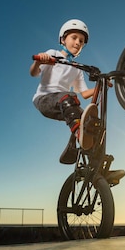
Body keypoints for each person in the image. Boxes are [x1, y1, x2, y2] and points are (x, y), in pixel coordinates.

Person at [30, 19, 100, 164]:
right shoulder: (53, 54)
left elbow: (85, 93)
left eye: (81, 41)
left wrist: (102, 85)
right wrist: (39, 60)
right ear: (63, 39)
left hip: (65, 103)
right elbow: (34, 73)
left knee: (92, 123)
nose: (77, 43)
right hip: (44, 100)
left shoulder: (76, 68)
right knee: (68, 97)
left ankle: (96, 164)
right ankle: (78, 132)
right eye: (74, 38)